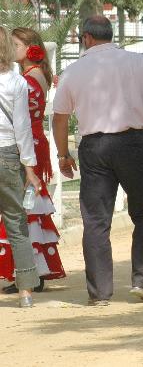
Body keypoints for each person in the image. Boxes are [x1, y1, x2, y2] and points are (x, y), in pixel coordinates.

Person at [52, 16, 143, 306]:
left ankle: (99, 294)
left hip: (94, 148)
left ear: (86, 38)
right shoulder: (137, 61)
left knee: (96, 221)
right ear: (110, 35)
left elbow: (60, 117)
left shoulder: (73, 71)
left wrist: (62, 154)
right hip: (132, 142)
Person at [0, 28, 66, 294]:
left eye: (18, 44)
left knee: (24, 210)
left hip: (24, 144)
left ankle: (29, 274)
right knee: (28, 209)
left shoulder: (27, 78)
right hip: (31, 142)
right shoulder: (33, 75)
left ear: (30, 48)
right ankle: (33, 272)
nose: (13, 47)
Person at [0, 26, 43, 307]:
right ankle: (26, 291)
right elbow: (23, 128)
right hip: (7, 154)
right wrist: (30, 167)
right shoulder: (16, 82)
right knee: (16, 224)